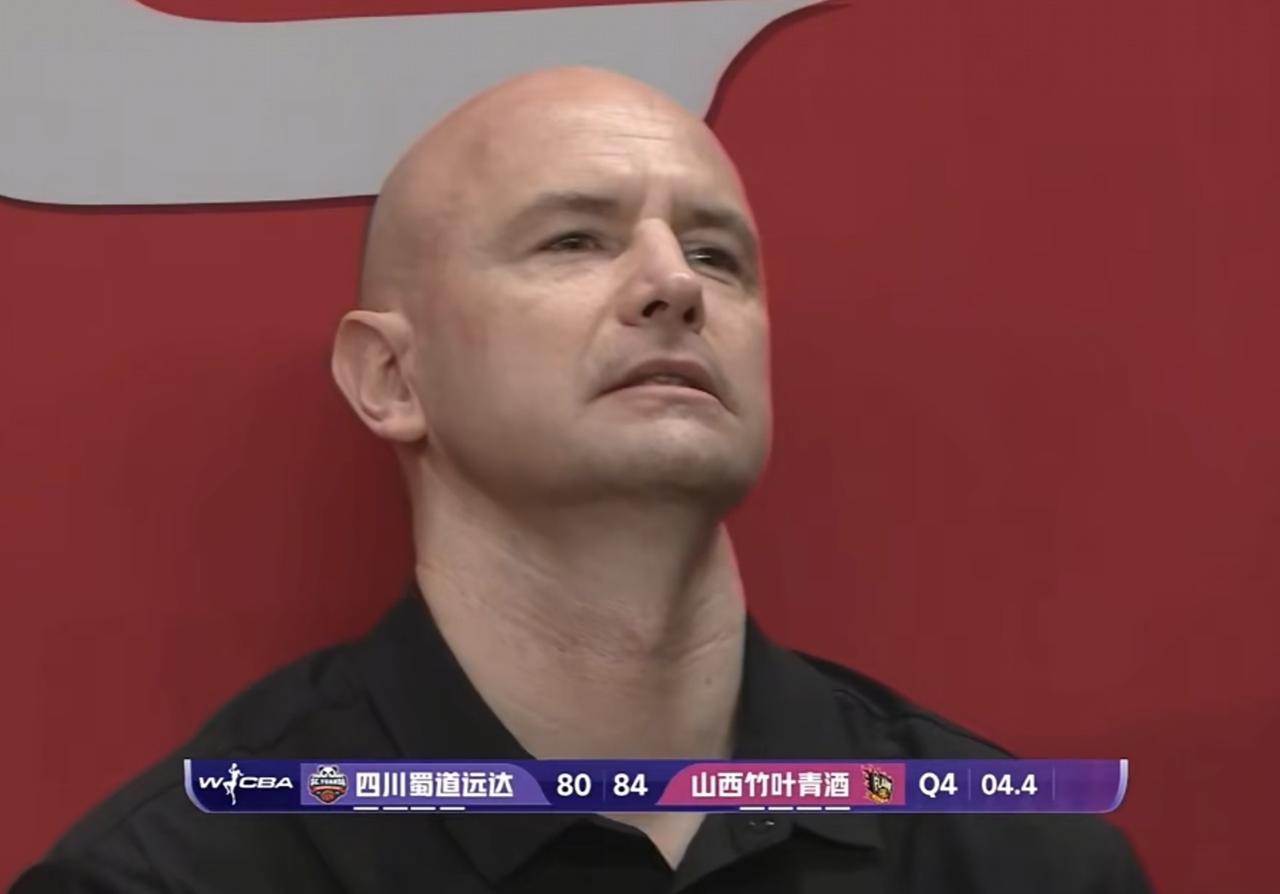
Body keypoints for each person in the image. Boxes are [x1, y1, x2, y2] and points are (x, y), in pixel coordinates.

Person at [11, 66, 1152, 893]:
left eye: (716, 255)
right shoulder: (184, 875)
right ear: (392, 378)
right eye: (573, 241)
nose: (673, 284)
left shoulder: (1020, 862)